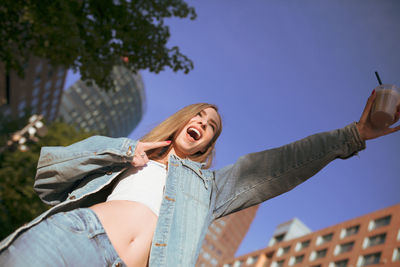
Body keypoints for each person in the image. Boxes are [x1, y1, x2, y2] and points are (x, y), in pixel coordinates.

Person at [0, 92, 399, 267]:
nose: (204, 125)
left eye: (212, 127)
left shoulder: (207, 189)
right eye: (200, 117)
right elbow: (49, 175)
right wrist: (123, 151)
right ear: (183, 122)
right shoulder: (128, 155)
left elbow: (280, 165)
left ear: (208, 143)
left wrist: (354, 135)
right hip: (71, 240)